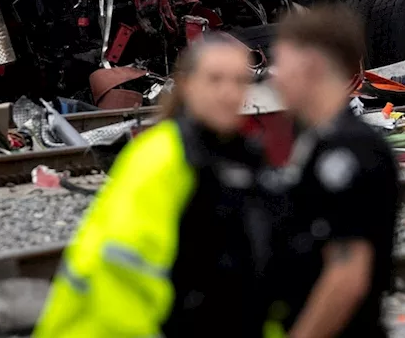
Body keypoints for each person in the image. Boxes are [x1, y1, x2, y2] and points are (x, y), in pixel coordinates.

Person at [35, 35, 268, 338]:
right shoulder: (160, 158)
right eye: (214, 79)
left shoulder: (243, 159)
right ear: (187, 86)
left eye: (239, 81)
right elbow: (120, 282)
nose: (227, 92)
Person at [265, 3, 399, 338]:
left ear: (310, 65)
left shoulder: (351, 151)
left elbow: (346, 277)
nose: (273, 75)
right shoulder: (316, 140)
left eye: (281, 62)